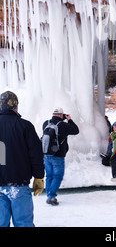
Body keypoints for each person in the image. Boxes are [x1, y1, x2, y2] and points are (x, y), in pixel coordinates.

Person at [0, 91, 44, 227]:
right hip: (19, 183)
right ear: (16, 106)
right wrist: (38, 177)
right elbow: (35, 154)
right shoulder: (25, 126)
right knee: (23, 223)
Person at [43, 107, 79, 205]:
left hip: (46, 155)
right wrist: (69, 119)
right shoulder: (63, 125)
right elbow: (76, 130)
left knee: (49, 176)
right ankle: (51, 196)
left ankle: (49, 195)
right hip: (58, 156)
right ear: (61, 115)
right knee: (58, 176)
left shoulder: (46, 123)